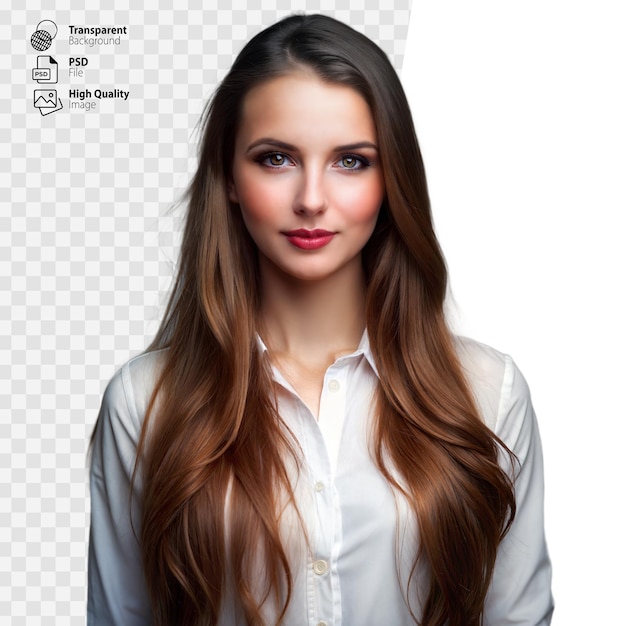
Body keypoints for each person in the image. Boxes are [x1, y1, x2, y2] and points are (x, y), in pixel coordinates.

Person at [87, 13, 553, 626]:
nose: (311, 198)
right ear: (229, 175)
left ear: (392, 180)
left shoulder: (487, 392)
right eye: (276, 158)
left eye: (351, 161)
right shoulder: (144, 402)